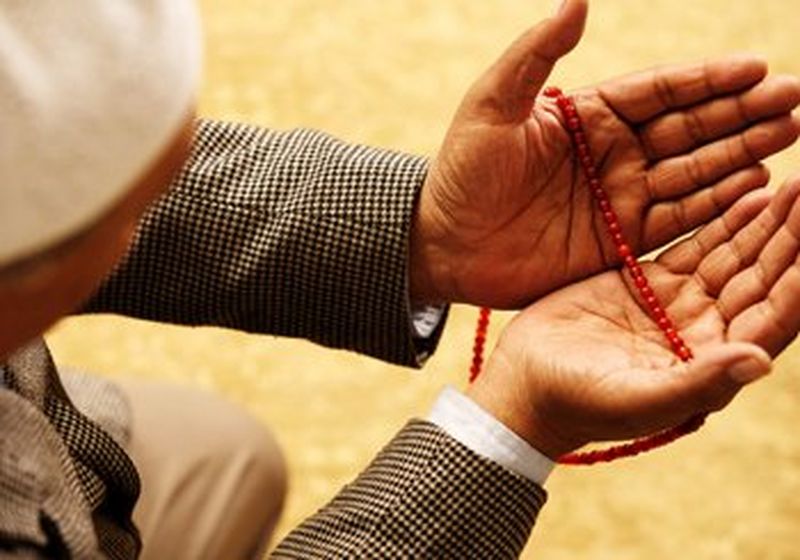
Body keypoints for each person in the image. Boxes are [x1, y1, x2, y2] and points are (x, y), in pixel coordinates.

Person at [1, 0, 799, 558]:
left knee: (227, 457)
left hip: (44, 436)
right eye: (127, 205)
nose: (153, 188)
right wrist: (510, 426)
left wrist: (428, 230)